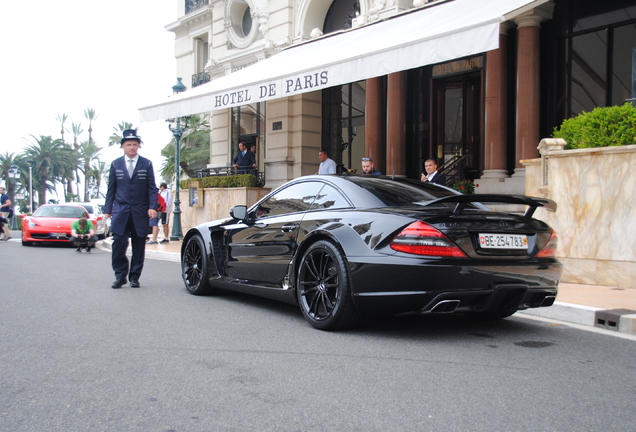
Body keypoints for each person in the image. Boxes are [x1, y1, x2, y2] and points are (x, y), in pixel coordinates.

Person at [104, 129, 158, 289]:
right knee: (119, 243)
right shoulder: (115, 164)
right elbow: (111, 189)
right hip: (120, 211)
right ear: (123, 146)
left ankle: (134, 277)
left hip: (140, 211)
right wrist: (108, 209)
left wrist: (152, 207)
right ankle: (120, 276)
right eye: (129, 145)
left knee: (139, 245)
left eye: (135, 144)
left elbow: (151, 188)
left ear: (138, 146)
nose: (132, 147)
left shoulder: (146, 164)